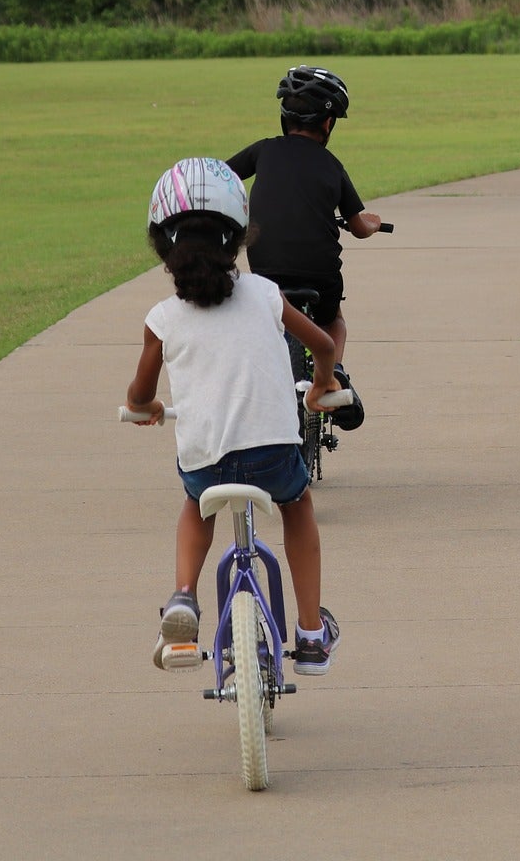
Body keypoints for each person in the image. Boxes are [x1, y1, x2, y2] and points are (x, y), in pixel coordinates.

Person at [125, 157, 342, 676]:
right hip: (274, 457)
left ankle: (183, 598)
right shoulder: (265, 294)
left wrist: (145, 408)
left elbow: (140, 394)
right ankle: (311, 633)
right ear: (238, 237)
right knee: (298, 505)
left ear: (163, 246)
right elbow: (323, 345)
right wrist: (321, 384)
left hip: (206, 462)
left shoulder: (162, 318)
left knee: (195, 505)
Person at [225, 64, 382, 431]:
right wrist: (372, 223)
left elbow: (222, 175)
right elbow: (359, 228)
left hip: (267, 267)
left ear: (284, 116)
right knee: (333, 320)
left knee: (269, 314)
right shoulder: (332, 166)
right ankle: (334, 372)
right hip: (320, 271)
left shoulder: (264, 150)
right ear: (328, 123)